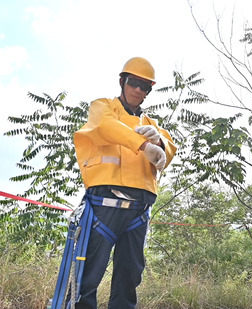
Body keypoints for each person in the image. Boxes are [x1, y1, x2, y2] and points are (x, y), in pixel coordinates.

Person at [71, 56, 177, 309]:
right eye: (134, 83)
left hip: (139, 209)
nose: (138, 90)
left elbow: (169, 151)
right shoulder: (103, 107)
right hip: (104, 205)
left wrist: (160, 142)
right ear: (122, 81)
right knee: (88, 275)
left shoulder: (152, 124)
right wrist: (142, 144)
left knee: (129, 277)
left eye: (145, 87)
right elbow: (106, 126)